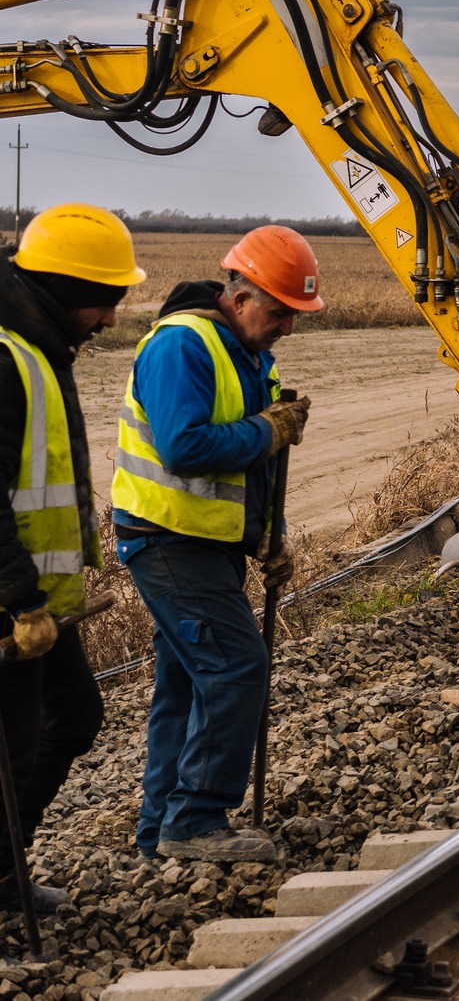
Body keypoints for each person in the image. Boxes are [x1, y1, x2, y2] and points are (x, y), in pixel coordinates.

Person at [114, 226, 318, 863]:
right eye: (280, 312)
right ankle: (196, 820)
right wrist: (266, 431)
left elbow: (250, 467)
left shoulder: (249, 353)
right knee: (235, 666)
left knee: (186, 685)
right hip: (169, 538)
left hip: (206, 542)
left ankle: (160, 833)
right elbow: (184, 449)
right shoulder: (183, 345)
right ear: (241, 296)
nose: (287, 327)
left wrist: (268, 539)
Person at [0, 205, 144, 914]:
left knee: (74, 717)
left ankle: (4, 873)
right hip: (15, 602)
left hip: (40, 601)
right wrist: (21, 600)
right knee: (12, 751)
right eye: (104, 300)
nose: (111, 318)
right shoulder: (7, 357)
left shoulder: (40, 347)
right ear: (61, 287)